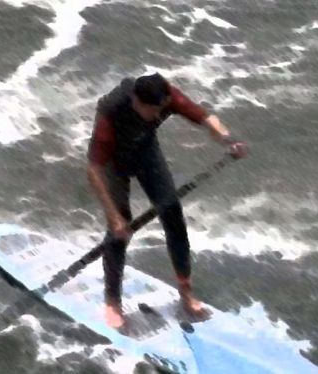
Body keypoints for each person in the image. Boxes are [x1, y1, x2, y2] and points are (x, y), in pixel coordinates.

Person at [86, 73, 247, 328]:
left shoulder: (166, 96)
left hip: (144, 150)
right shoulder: (111, 113)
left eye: (161, 108)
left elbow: (205, 118)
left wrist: (230, 139)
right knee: (120, 228)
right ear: (137, 102)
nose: (158, 115)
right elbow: (93, 169)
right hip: (111, 162)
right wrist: (114, 217)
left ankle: (185, 292)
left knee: (172, 213)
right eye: (153, 110)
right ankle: (113, 302)